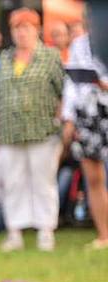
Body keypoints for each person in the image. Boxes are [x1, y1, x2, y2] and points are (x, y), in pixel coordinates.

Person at [0, 8, 64, 251]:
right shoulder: (4, 59)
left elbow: (64, 93)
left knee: (43, 181)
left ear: (37, 29)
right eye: (17, 28)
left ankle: (45, 230)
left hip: (42, 131)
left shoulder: (50, 57)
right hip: (9, 133)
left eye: (27, 28)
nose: (22, 33)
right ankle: (15, 231)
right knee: (13, 182)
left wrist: (60, 123)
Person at [62, 31, 108, 250]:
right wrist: (70, 119)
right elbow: (71, 86)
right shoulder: (79, 45)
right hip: (87, 116)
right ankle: (104, 235)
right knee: (93, 178)